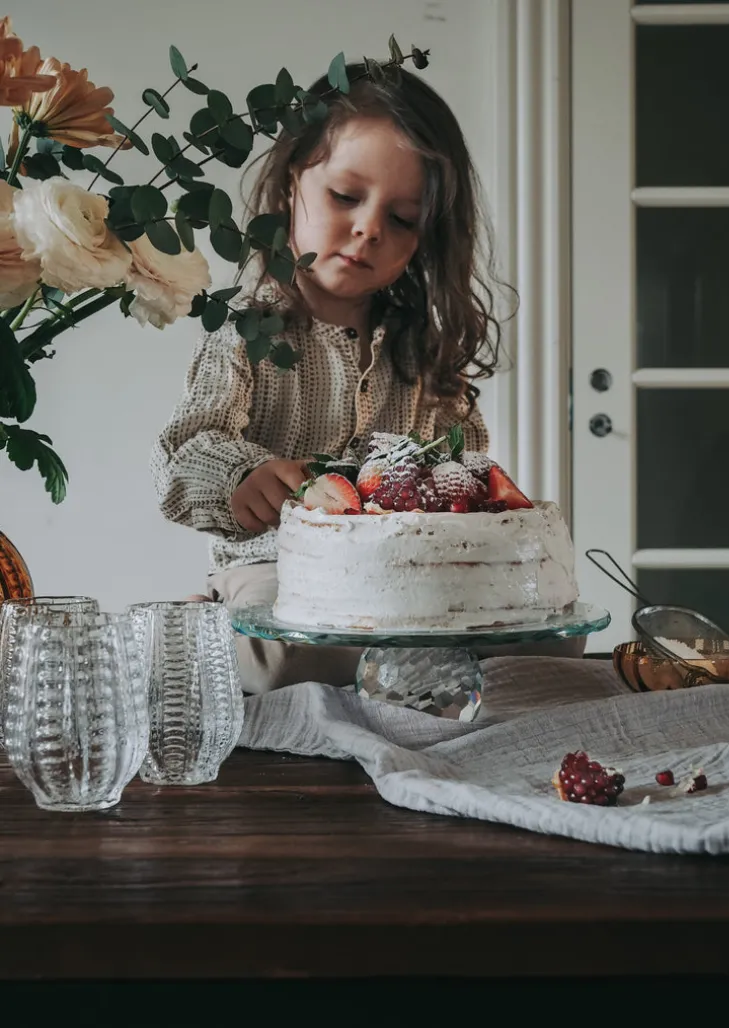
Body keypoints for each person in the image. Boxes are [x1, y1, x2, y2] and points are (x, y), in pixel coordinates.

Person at [151, 59, 578, 695]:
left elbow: (464, 462)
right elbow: (185, 451)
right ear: (294, 181)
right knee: (288, 659)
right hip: (281, 567)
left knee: (556, 638)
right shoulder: (245, 330)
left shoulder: (425, 350)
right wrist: (245, 478)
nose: (369, 228)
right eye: (346, 197)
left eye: (402, 218)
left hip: (415, 579)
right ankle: (199, 627)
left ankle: (403, 670)